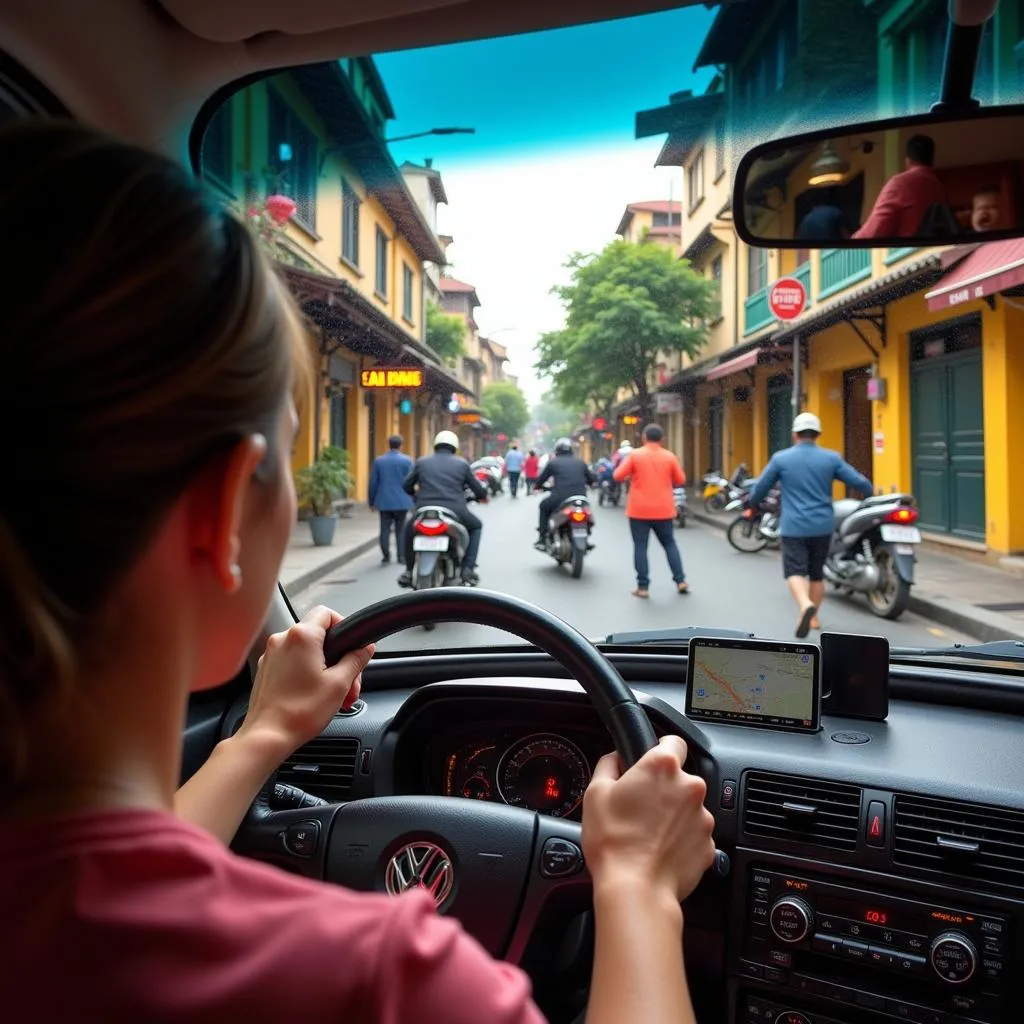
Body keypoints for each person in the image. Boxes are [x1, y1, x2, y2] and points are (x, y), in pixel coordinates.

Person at [0, 121, 717, 1024]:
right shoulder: (386, 982)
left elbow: (106, 880)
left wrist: (262, 738)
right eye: (290, 464)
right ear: (224, 512)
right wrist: (641, 891)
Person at [747, 412, 874, 638]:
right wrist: (869, 495)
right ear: (818, 434)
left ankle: (805, 605)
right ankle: (814, 618)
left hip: (794, 526)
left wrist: (752, 505)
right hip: (822, 525)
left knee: (794, 571)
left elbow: (760, 489)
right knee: (817, 574)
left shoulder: (781, 459)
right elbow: (859, 482)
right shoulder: (831, 458)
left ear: (795, 434)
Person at [399, 430, 488, 586]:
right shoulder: (462, 464)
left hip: (424, 510)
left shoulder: (422, 462)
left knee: (408, 530)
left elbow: (406, 485)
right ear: (454, 447)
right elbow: (479, 491)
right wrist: (480, 496)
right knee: (476, 527)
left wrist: (416, 496)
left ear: (436, 445)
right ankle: (467, 568)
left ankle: (407, 571)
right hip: (455, 510)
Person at [613, 424, 689, 598]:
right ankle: (680, 581)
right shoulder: (669, 456)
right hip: (664, 510)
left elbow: (617, 475)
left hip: (639, 510)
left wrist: (634, 475)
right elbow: (681, 479)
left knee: (640, 546)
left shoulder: (635, 455)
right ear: (662, 439)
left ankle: (643, 587)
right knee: (669, 544)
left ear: (644, 438)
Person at [853, 134, 947, 239]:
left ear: (908, 160)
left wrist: (851, 243)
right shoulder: (939, 188)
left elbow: (874, 231)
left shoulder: (899, 184)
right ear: (931, 159)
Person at [533, 437, 596, 548]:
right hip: (581, 499)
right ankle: (585, 539)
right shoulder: (580, 463)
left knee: (543, 506)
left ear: (557, 451)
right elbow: (591, 480)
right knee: (586, 513)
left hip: (560, 498)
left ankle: (542, 538)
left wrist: (537, 487)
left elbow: (540, 480)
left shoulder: (553, 463)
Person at [368, 434, 414, 564]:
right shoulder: (407, 461)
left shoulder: (379, 461)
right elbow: (412, 481)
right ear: (401, 445)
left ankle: (386, 555)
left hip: (384, 501)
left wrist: (371, 501)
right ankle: (401, 556)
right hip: (402, 501)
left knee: (384, 529)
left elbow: (373, 483)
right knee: (400, 529)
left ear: (389, 444)